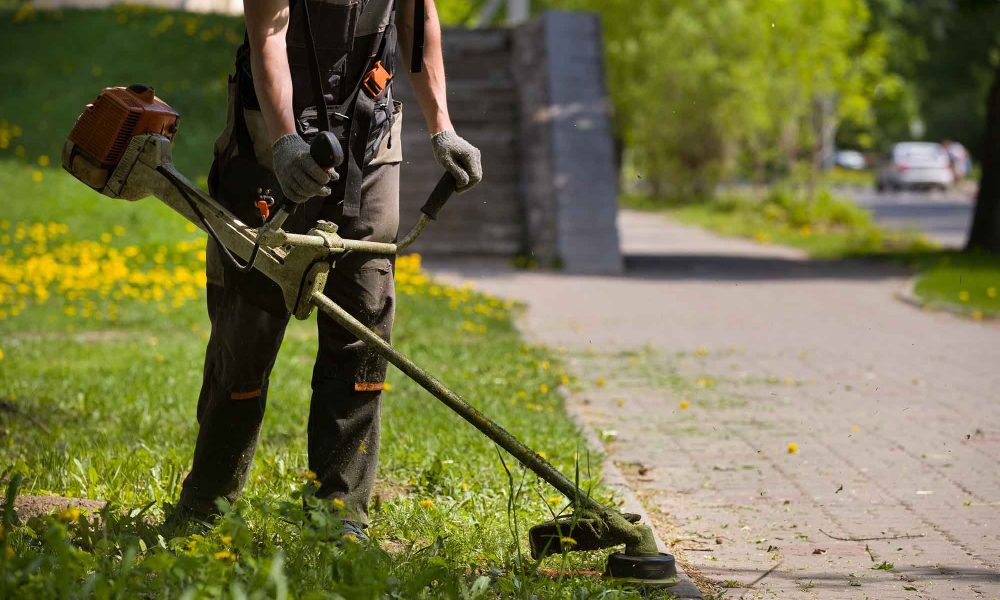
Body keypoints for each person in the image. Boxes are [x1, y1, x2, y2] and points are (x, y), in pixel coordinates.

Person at [166, 0, 483, 538]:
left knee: (363, 322)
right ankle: (205, 506)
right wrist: (287, 143)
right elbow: (269, 28)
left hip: (370, 134)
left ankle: (340, 516)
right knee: (245, 328)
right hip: (270, 139)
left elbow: (416, 15)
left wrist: (442, 127)